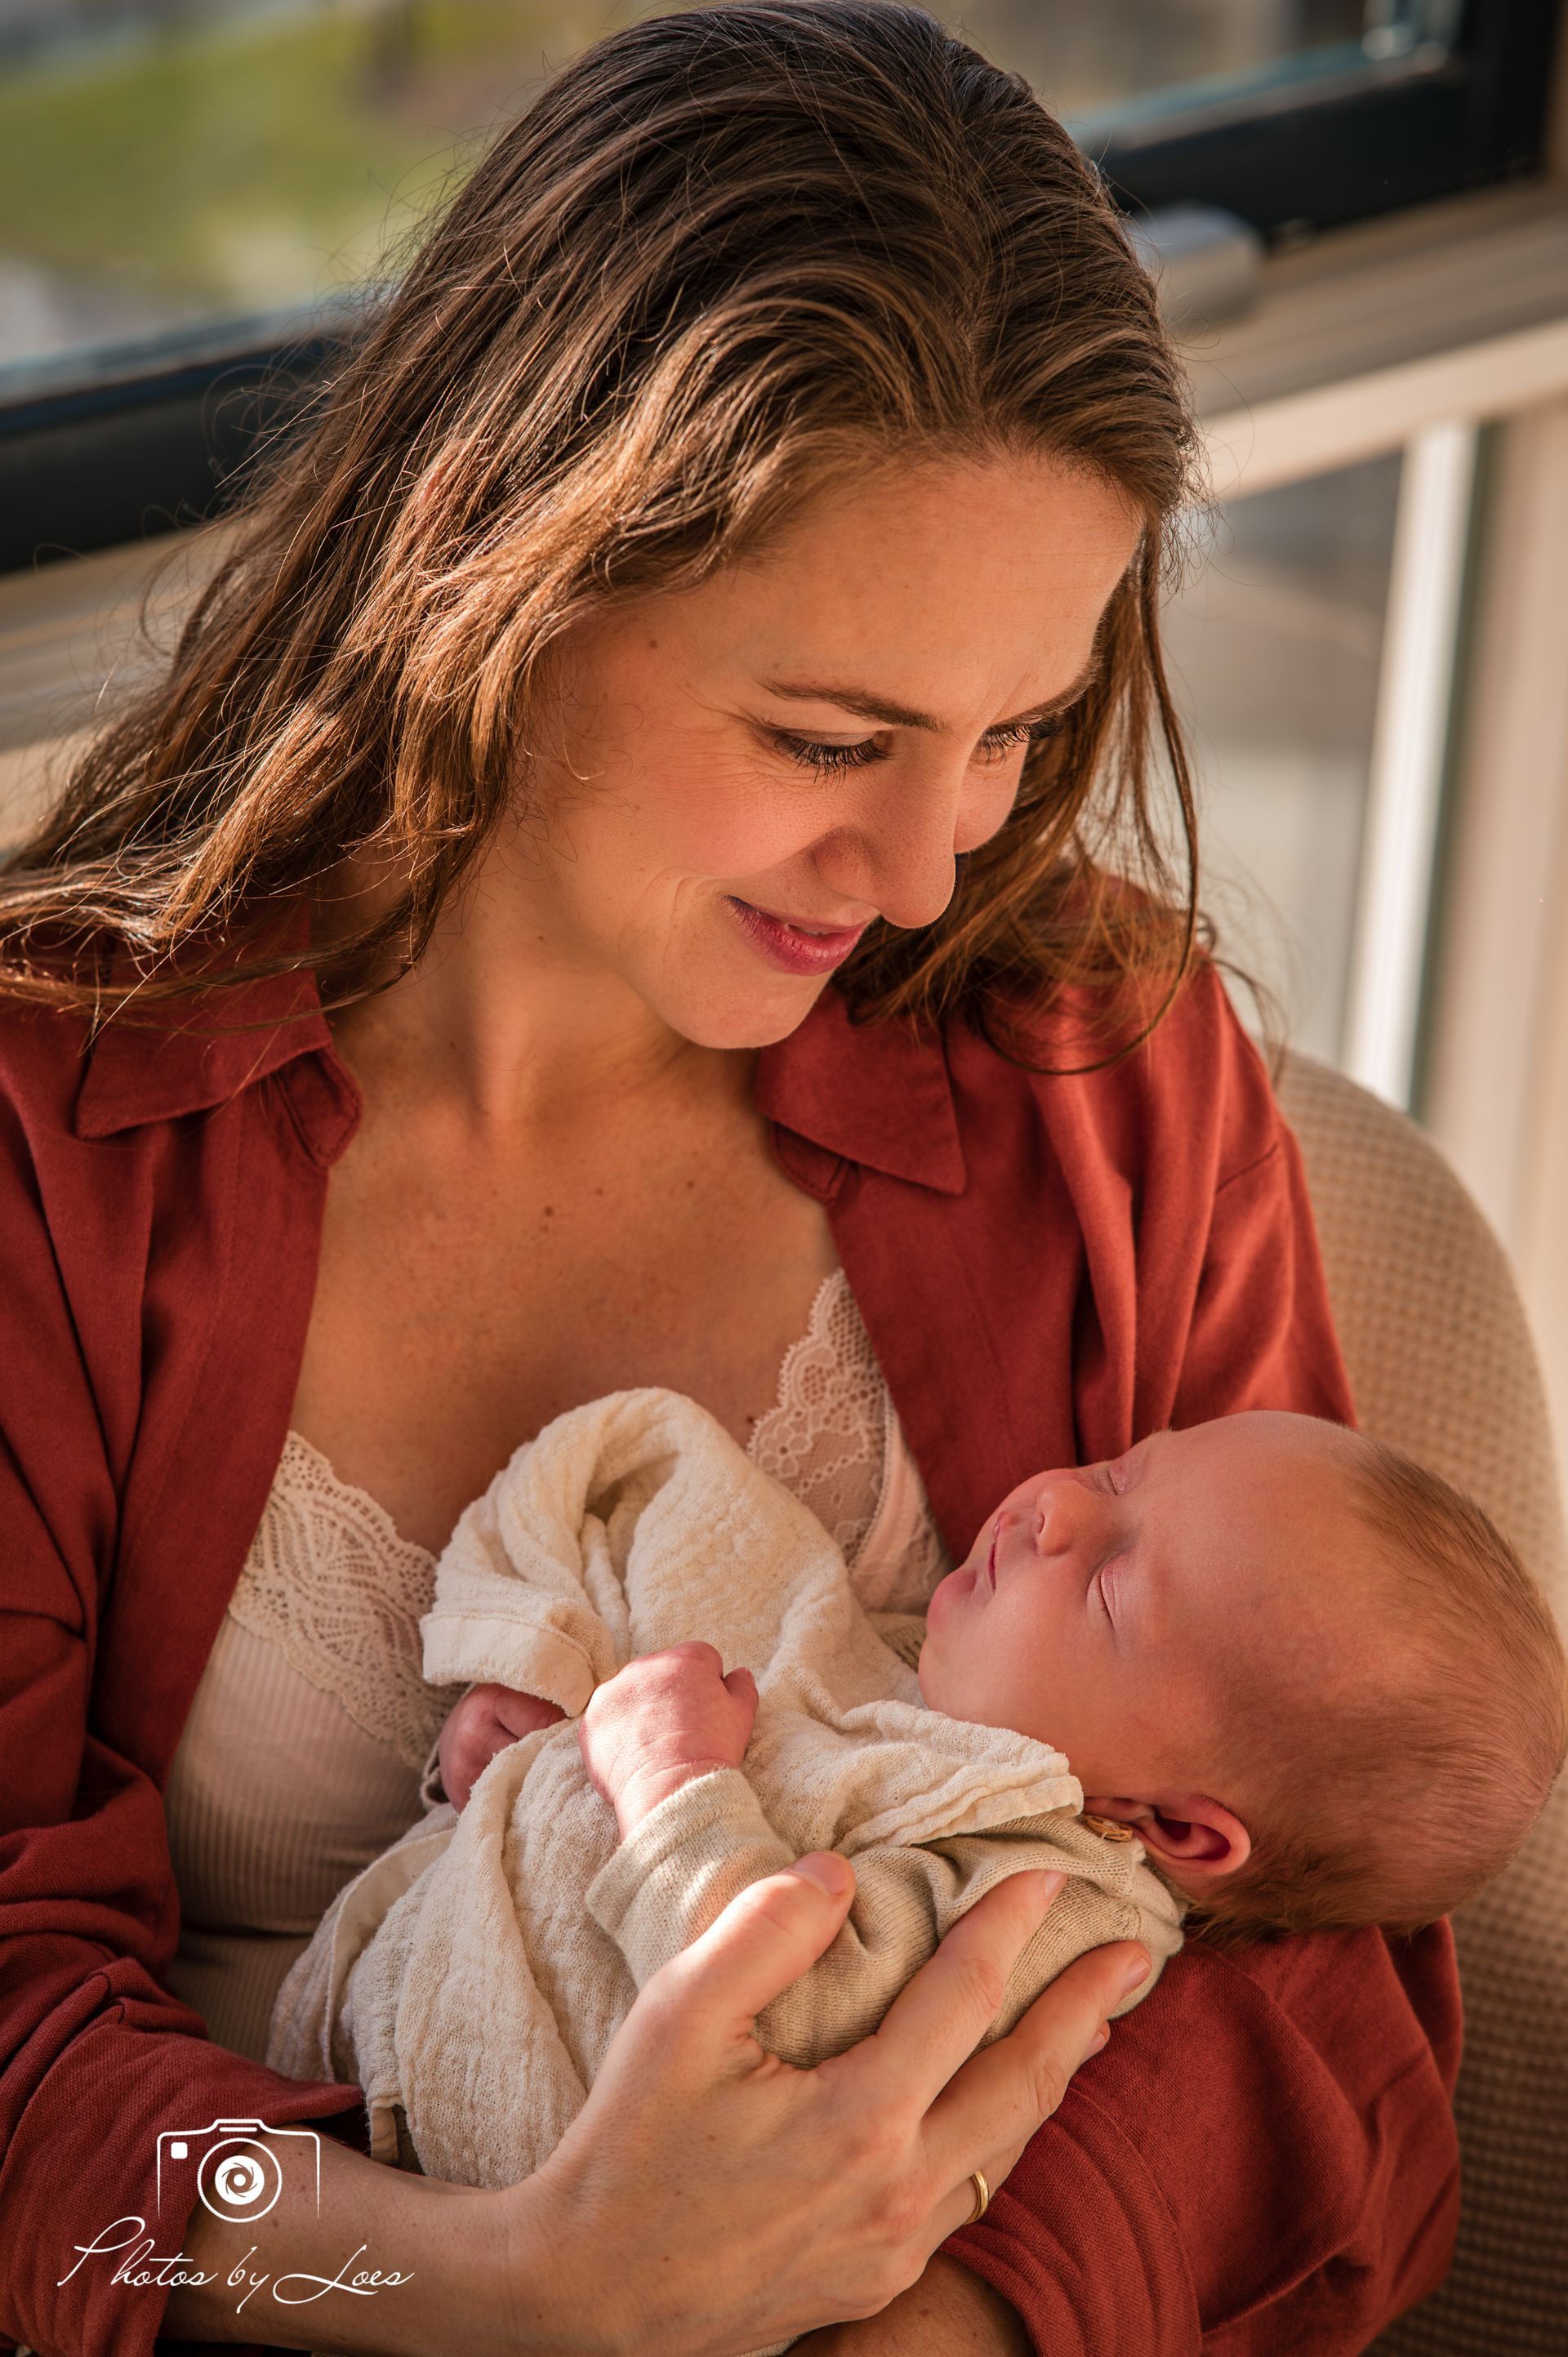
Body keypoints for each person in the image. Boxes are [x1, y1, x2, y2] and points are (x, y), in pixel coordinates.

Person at [0, 4, 1463, 2352]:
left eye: (1010, 733)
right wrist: (507, 2284)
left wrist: (936, 2328)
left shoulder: (1101, 1075)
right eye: (827, 735)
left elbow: (1313, 1941)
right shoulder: (47, 1140)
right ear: (506, 570)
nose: (925, 869)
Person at [266, 1392, 1561, 2208]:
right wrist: (515, 1738)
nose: (1055, 1507)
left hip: (505, 2181)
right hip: (337, 2122)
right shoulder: (932, 1682)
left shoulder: (1047, 1900)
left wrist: (669, 1787)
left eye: (1113, 1584)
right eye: (1122, 1470)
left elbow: (788, 2031)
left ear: (1173, 1826)